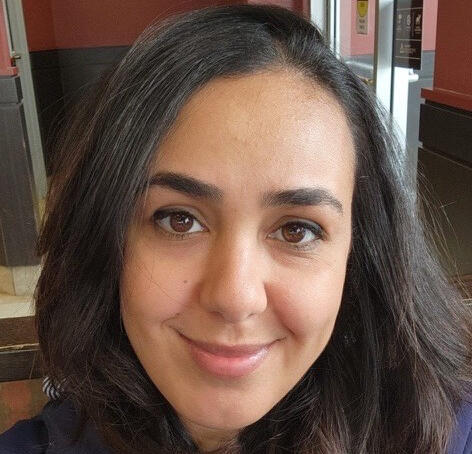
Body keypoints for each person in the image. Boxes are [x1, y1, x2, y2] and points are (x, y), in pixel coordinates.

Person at [1, 4, 471, 454]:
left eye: (297, 231)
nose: (235, 298)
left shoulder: (447, 433)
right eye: (179, 220)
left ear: (360, 253)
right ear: (102, 236)